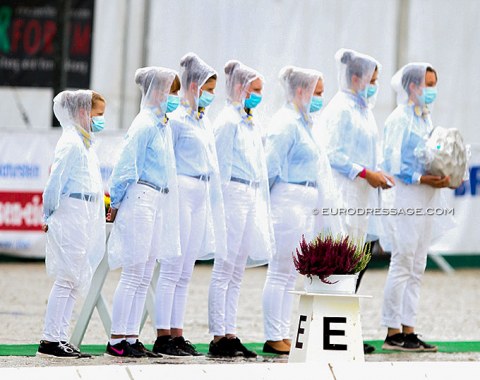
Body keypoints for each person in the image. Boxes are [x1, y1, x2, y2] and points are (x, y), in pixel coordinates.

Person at [317, 48, 395, 354]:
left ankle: (345, 330)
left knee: (355, 262)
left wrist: (376, 172)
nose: (375, 85)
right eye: (372, 80)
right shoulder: (341, 109)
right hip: (345, 193)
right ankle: (332, 332)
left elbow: (366, 152)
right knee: (341, 264)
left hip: (361, 194)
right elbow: (333, 155)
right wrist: (365, 173)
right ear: (355, 78)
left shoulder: (363, 109)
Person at [262, 66, 340, 354]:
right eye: (317, 93)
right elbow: (271, 166)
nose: (320, 99)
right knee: (279, 268)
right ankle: (273, 334)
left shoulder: (305, 123)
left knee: (291, 270)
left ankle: (282, 331)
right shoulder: (285, 123)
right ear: (300, 91)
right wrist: (268, 202)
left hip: (304, 199)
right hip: (288, 197)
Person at [153, 53, 227, 357]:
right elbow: (164, 158)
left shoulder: (204, 120)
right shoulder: (178, 120)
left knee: (186, 269)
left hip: (200, 191)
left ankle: (177, 331)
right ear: (194, 86)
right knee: (172, 265)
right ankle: (162, 335)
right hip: (181, 189)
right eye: (208, 89)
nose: (211, 95)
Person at [106, 66, 182, 358]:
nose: (174, 97)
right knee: (134, 270)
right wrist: (115, 202)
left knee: (145, 272)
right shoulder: (144, 125)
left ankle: (131, 336)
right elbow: (126, 166)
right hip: (141, 195)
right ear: (158, 91)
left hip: (157, 198)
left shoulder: (161, 125)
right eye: (172, 91)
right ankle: (117, 339)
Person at [381, 63, 454, 352]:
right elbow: (392, 164)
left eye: (435, 83)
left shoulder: (425, 118)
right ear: (412, 86)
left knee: (418, 264)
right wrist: (422, 178)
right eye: (428, 83)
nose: (432, 90)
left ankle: (409, 328)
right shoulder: (399, 119)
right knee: (402, 260)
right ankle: (392, 330)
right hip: (406, 194)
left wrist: (446, 173)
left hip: (424, 194)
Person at [207, 60, 274, 358]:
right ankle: (218, 334)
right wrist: (219, 206)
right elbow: (219, 166)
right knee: (225, 265)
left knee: (237, 268)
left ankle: (230, 331)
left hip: (248, 192)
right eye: (255, 90)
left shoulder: (250, 121)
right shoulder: (227, 121)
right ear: (239, 88)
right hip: (232, 192)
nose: (259, 96)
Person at [37, 90, 107, 358]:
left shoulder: (84, 142)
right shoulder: (71, 143)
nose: (100, 121)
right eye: (97, 115)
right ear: (82, 112)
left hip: (83, 212)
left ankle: (60, 336)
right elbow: (55, 183)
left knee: (75, 278)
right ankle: (50, 339)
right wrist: (48, 214)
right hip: (71, 212)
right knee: (67, 277)